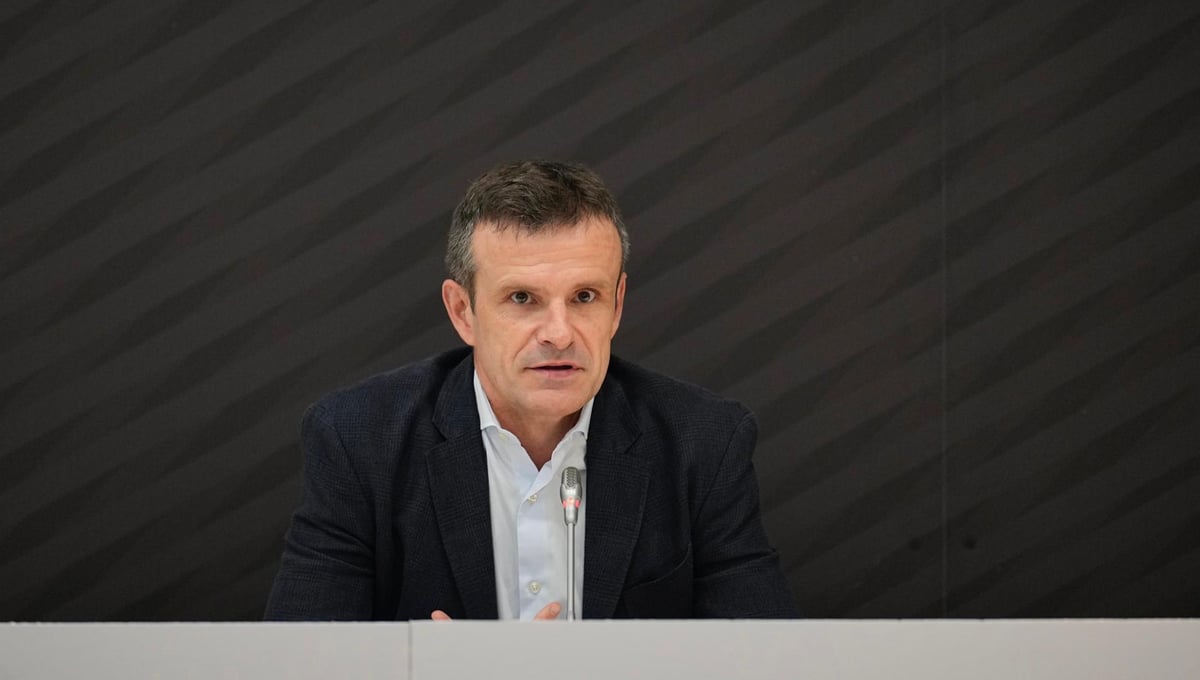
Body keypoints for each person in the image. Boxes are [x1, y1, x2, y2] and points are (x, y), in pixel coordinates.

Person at [265, 160, 796, 620]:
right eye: (522, 298)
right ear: (463, 311)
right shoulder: (359, 443)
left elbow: (768, 662)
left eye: (584, 296)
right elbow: (298, 666)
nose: (559, 334)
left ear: (617, 304)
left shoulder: (705, 443)